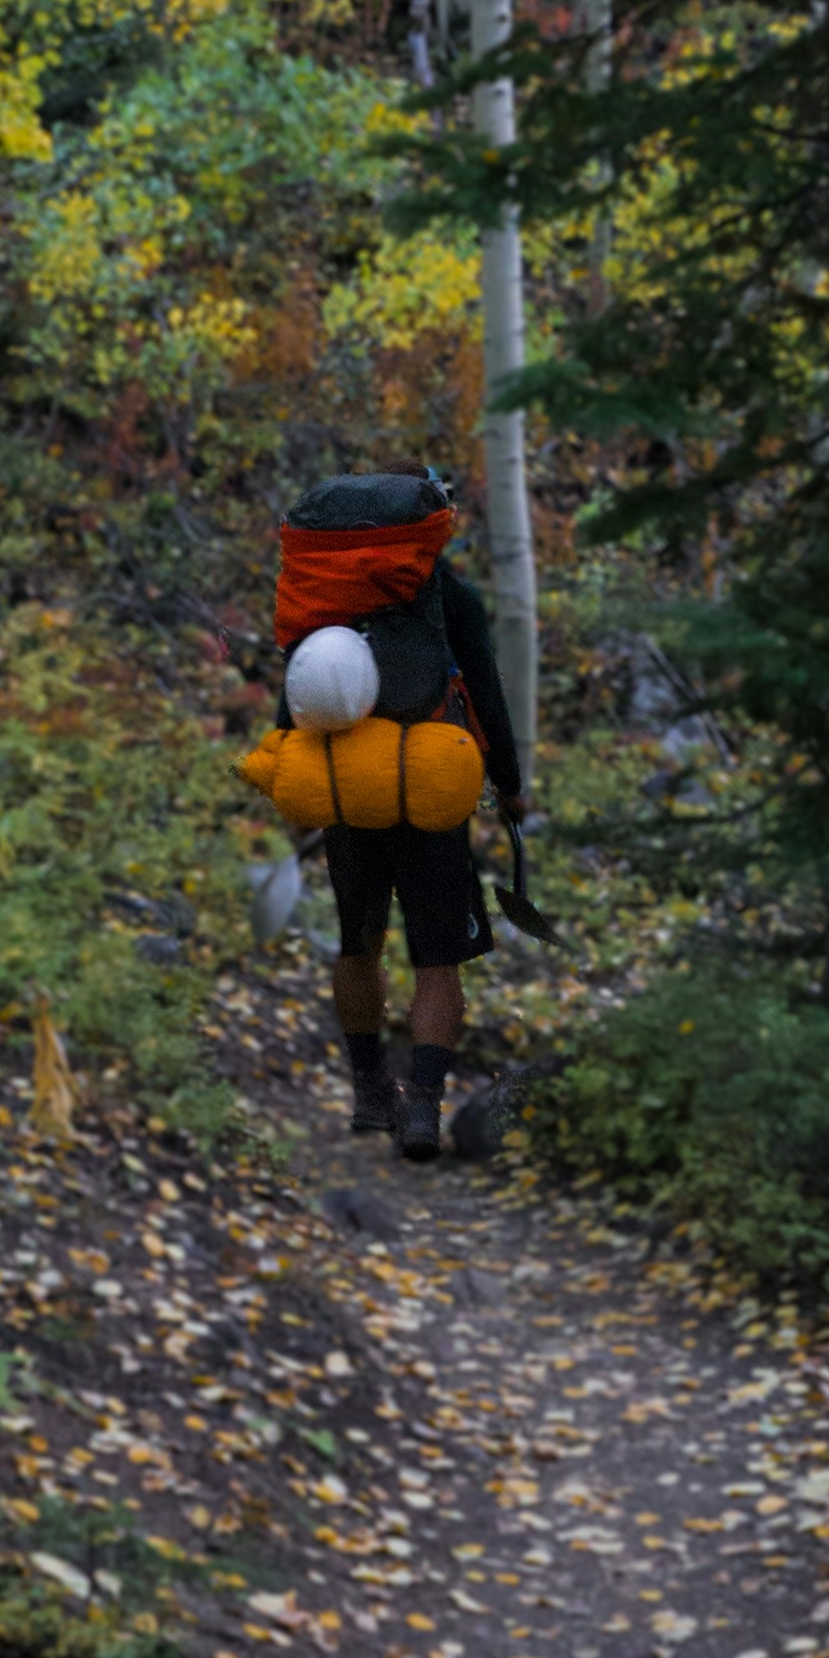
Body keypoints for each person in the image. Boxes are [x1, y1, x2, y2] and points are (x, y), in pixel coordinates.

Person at [290, 466, 527, 1161]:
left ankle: (370, 1090)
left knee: (358, 943)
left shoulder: (323, 595)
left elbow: (298, 693)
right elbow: (484, 690)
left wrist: (298, 770)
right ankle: (423, 1106)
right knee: (437, 957)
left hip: (349, 794)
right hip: (432, 793)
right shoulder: (453, 596)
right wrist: (510, 785)